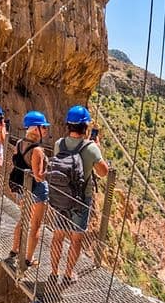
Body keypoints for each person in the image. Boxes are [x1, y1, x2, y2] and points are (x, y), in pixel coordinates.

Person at [48, 105, 109, 284]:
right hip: (82, 199)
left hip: (61, 196)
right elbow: (103, 172)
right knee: (76, 238)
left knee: (58, 235)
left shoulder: (59, 144)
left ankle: (53, 272)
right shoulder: (91, 148)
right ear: (86, 127)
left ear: (68, 125)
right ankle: (68, 274)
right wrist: (97, 148)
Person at [6, 111, 50, 268]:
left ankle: (14, 250)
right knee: (35, 224)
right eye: (43, 127)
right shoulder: (37, 150)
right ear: (35, 129)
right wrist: (50, 168)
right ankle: (28, 259)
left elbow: (18, 163)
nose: (45, 130)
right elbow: (39, 176)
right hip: (36, 189)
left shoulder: (19, 143)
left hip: (22, 188)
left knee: (23, 219)